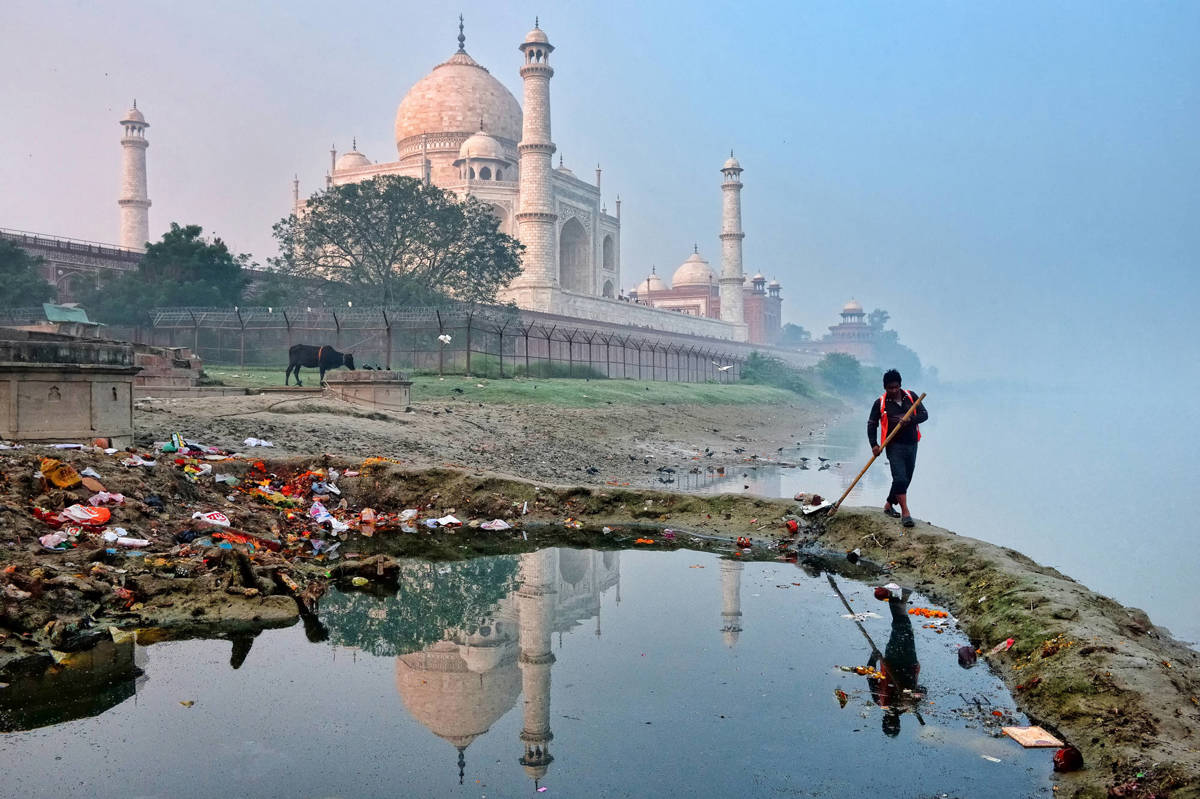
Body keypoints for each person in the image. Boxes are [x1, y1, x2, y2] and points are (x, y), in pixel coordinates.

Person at [867, 369, 928, 528]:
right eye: (889, 388)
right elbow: (872, 424)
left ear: (900, 385)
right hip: (893, 445)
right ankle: (905, 513)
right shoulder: (880, 403)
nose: (893, 391)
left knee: (906, 478)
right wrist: (874, 445)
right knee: (900, 478)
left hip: (912, 444)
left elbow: (924, 415)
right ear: (885, 387)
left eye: (895, 387)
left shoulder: (911, 396)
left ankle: (888, 505)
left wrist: (910, 420)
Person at [867, 586, 925, 736]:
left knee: (901, 629)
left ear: (884, 720)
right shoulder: (908, 706)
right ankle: (899, 600)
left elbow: (870, 676)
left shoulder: (880, 701)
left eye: (889, 723)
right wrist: (914, 695)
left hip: (892, 661)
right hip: (909, 663)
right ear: (898, 722)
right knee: (906, 630)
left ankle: (895, 599)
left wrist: (873, 657)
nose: (892, 721)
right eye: (895, 724)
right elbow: (923, 690)